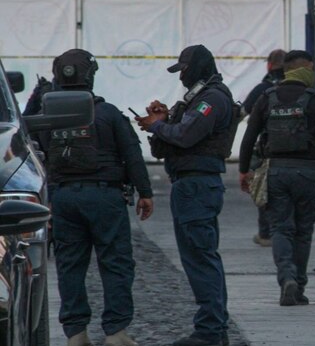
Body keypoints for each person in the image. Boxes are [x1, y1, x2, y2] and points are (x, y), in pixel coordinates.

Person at [44, 49, 154, 346]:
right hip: (105, 195)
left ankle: (75, 333)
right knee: (116, 263)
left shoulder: (48, 115)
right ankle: (116, 332)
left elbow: (40, 154)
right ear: (90, 76)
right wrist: (145, 192)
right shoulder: (108, 113)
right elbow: (132, 154)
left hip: (64, 198)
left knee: (69, 264)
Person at [136, 44, 236, 346]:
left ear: (196, 68)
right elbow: (176, 136)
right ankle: (214, 328)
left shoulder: (212, 99)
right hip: (191, 185)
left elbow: (186, 135)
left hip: (197, 186)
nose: (181, 77)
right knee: (201, 257)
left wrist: (159, 126)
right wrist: (162, 121)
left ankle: (210, 331)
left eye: (184, 70)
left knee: (200, 258)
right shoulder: (199, 99)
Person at [238, 50, 315, 306]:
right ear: (303, 69)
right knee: (303, 231)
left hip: (276, 171)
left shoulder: (267, 98)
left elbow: (249, 137)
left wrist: (244, 170)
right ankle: (300, 286)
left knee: (281, 229)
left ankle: (287, 278)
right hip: (308, 173)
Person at [242, 49, 287, 248]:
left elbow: (242, 112)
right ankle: (286, 233)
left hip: (266, 149)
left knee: (263, 190)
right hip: (295, 151)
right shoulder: (298, 89)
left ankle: (266, 234)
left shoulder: (263, 88)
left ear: (269, 65)